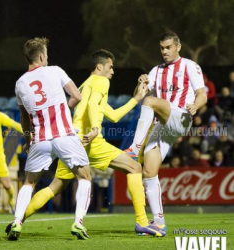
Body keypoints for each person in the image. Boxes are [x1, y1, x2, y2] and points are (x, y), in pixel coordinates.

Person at [15, 49, 165, 237]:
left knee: (56, 186)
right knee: (134, 167)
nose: (113, 72)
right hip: (90, 141)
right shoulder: (102, 81)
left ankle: (19, 220)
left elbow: (113, 116)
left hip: (71, 139)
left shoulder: (86, 84)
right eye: (110, 67)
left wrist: (136, 98)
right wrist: (94, 129)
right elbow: (93, 105)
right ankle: (142, 222)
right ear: (100, 66)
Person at [7, 37, 91, 241]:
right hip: (63, 134)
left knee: (29, 182)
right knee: (85, 177)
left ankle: (17, 221)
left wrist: (27, 140)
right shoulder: (55, 71)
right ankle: (78, 223)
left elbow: (24, 118)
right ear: (42, 56)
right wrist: (64, 108)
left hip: (40, 139)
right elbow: (77, 97)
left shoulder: (20, 83)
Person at [125, 31, 207, 233]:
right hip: (163, 124)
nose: (165, 51)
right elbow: (140, 95)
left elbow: (202, 94)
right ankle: (159, 222)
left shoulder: (189, 66)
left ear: (178, 47)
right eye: (162, 48)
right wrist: (141, 83)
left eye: (168, 47)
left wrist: (195, 106)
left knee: (150, 102)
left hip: (181, 117)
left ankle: (134, 148)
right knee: (149, 171)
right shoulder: (155, 70)